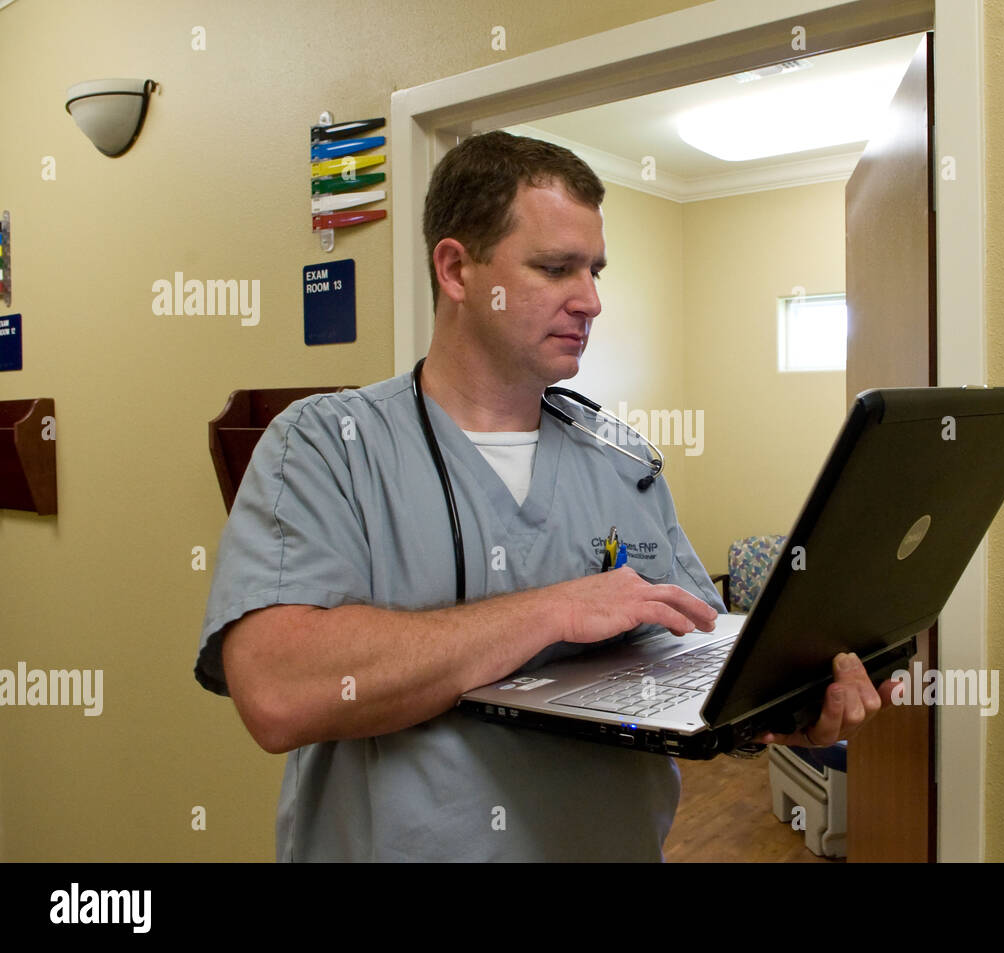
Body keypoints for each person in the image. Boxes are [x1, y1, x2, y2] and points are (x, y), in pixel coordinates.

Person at [194, 131, 892, 862]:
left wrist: (785, 707)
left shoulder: (622, 459)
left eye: (594, 270)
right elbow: (276, 687)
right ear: (458, 270)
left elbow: (706, 668)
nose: (590, 300)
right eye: (556, 268)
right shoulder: (323, 444)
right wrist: (555, 608)